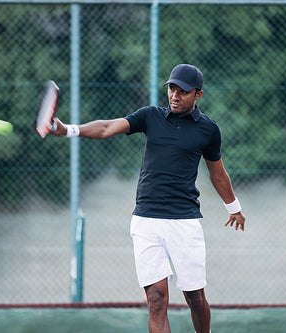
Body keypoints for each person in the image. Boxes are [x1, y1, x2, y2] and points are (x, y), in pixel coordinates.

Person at [51, 64, 246, 333]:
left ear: (198, 95)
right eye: (172, 89)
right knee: (156, 300)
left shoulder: (208, 130)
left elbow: (218, 173)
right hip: (145, 221)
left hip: (184, 223)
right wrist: (69, 130)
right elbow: (107, 127)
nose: (175, 96)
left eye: (183, 92)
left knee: (195, 299)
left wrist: (233, 207)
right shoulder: (150, 116)